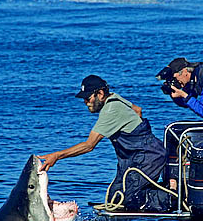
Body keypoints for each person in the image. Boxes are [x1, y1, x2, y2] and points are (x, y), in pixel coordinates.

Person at [38, 75, 172, 212]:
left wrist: (56, 156)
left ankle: (173, 198)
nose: (85, 102)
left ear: (100, 94)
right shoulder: (114, 97)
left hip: (147, 157)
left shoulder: (110, 111)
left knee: (131, 200)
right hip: (132, 158)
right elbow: (138, 110)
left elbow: (89, 145)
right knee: (114, 198)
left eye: (88, 98)